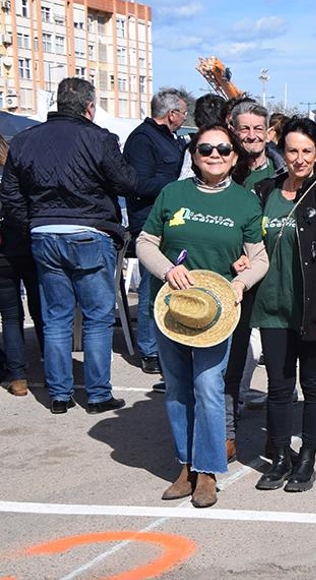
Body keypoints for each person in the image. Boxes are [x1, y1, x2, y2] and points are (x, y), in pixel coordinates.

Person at [136, 122, 268, 508]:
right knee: (178, 390)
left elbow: (259, 257)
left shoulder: (244, 201)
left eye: (223, 149)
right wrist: (166, 270)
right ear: (193, 154)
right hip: (173, 309)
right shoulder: (172, 193)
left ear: (234, 156)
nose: (214, 155)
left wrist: (240, 283)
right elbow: (146, 242)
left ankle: (208, 471)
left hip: (216, 313)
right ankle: (186, 465)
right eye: (206, 148)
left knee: (209, 387)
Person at [0, 78, 137, 415]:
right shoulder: (99, 138)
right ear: (89, 107)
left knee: (56, 317)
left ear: (58, 103)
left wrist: (31, 225)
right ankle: (97, 394)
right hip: (89, 231)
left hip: (45, 233)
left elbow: (11, 194)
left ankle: (60, 395)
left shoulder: (25, 141)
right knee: (96, 318)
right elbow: (127, 182)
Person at [251, 117, 316, 493]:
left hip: (313, 308)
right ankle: (280, 456)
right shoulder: (264, 192)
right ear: (283, 152)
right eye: (292, 150)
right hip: (271, 305)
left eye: (306, 151)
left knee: (313, 385)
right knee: (278, 386)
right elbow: (249, 241)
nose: (299, 158)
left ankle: (307, 457)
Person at [222, 100, 286, 456]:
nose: (251, 136)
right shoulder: (220, 170)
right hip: (235, 280)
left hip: (276, 279)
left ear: (268, 133)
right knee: (233, 360)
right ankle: (227, 434)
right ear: (233, 129)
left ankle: (275, 440)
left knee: (278, 365)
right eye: (244, 129)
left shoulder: (281, 174)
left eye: (257, 129)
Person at [124, 88, 190, 377]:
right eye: (184, 113)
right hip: (151, 224)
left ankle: (167, 344)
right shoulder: (142, 139)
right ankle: (150, 350)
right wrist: (177, 184)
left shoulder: (169, 139)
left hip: (172, 223)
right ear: (172, 113)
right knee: (152, 289)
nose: (185, 118)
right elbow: (138, 184)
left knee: (170, 287)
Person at [0, 133, 43, 397]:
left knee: (11, 317)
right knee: (42, 312)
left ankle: (18, 378)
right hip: (26, 247)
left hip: (1, 256)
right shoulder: (16, 173)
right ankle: (53, 369)